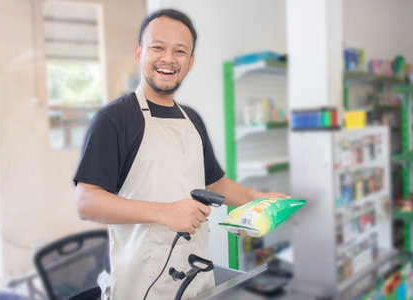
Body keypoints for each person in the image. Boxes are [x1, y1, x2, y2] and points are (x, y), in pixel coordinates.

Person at [74, 8, 288, 300]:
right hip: (142, 286)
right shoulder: (114, 120)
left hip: (197, 276)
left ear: (190, 62)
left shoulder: (192, 120)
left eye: (180, 51)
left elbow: (215, 183)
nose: (168, 59)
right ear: (139, 53)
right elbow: (87, 202)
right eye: (157, 47)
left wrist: (258, 199)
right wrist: (163, 213)